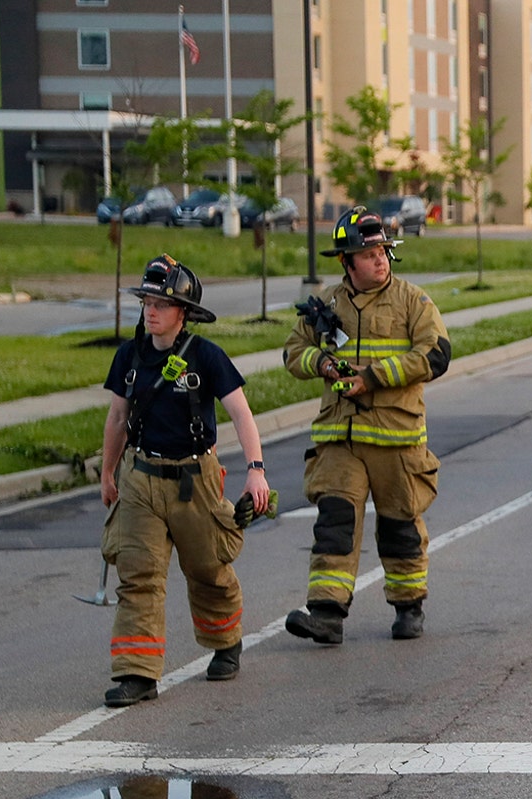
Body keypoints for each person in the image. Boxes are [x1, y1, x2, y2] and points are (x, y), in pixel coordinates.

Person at [98, 254, 271, 707]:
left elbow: (241, 414)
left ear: (184, 312)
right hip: (140, 479)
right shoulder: (129, 357)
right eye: (146, 301)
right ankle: (137, 674)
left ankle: (225, 642)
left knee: (208, 569)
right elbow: (117, 417)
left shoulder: (206, 357)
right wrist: (107, 472)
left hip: (195, 479)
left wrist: (256, 471)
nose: (150, 310)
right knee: (138, 575)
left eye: (161, 302)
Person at [283, 206, 451, 645]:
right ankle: (326, 613)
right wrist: (320, 361)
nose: (380, 259)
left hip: (396, 439)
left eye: (383, 250)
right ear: (346, 261)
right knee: (334, 521)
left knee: (399, 523)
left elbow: (435, 356)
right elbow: (292, 352)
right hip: (339, 436)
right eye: (369, 252)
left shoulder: (413, 302)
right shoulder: (325, 305)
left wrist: (372, 377)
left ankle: (408, 605)